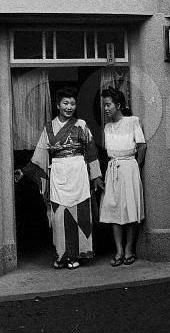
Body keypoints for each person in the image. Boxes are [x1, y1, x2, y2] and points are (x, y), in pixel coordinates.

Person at [14, 86, 104, 270]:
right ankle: (62, 255)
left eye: (72, 103)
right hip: (58, 173)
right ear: (57, 105)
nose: (69, 107)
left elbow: (91, 152)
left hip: (78, 172)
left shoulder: (82, 125)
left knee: (80, 214)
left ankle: (76, 255)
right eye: (65, 103)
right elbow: (39, 154)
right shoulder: (49, 128)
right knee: (60, 217)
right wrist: (24, 171)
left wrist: (96, 176)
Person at [99, 87, 146, 267]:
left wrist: (136, 166)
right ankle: (118, 251)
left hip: (129, 168)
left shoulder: (132, 122)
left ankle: (129, 249)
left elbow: (142, 146)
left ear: (118, 105)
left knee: (130, 208)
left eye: (108, 105)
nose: (106, 108)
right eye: (104, 105)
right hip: (113, 169)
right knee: (114, 209)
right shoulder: (107, 127)